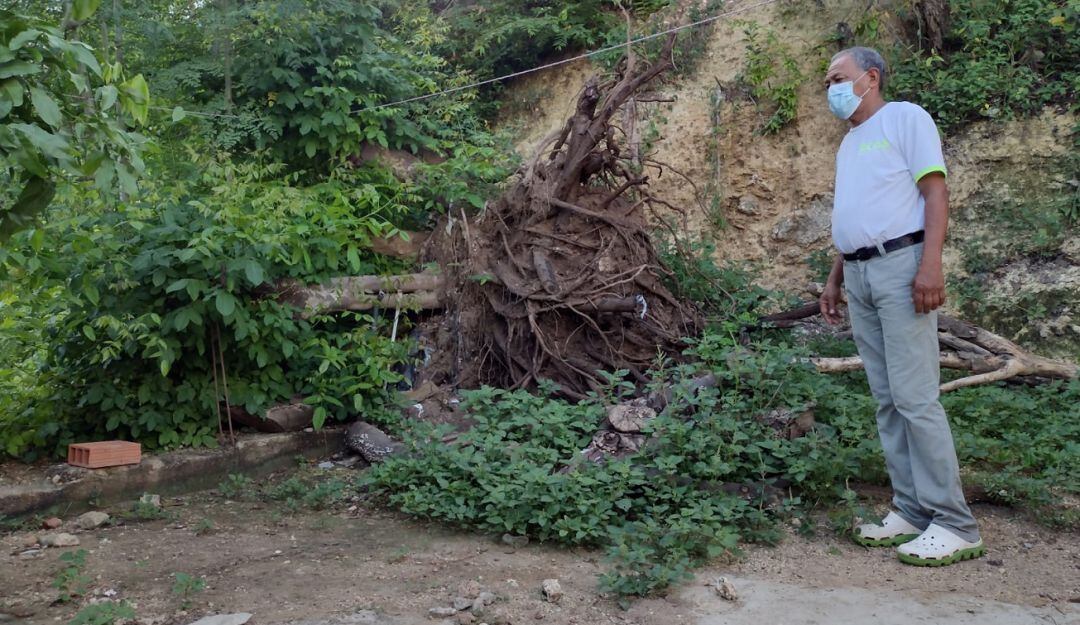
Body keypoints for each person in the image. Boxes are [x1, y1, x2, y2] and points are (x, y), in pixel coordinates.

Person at [818, 47, 985, 566]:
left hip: (901, 265)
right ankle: (912, 509)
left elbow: (935, 194)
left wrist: (930, 266)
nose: (831, 88)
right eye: (827, 81)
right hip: (860, 272)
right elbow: (857, 217)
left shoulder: (904, 118)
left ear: (870, 77)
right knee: (887, 398)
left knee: (915, 397)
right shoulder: (849, 144)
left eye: (838, 77)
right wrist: (834, 280)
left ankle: (955, 522)